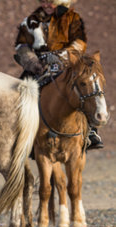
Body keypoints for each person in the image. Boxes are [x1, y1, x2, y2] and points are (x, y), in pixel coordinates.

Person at [14, 0, 103, 149]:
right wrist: (33, 62)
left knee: (86, 88)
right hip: (39, 66)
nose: (46, 5)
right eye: (43, 2)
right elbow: (22, 46)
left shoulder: (72, 19)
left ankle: (91, 132)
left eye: (51, 2)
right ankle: (17, 135)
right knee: (18, 94)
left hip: (68, 64)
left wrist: (61, 56)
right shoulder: (30, 21)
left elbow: (79, 43)